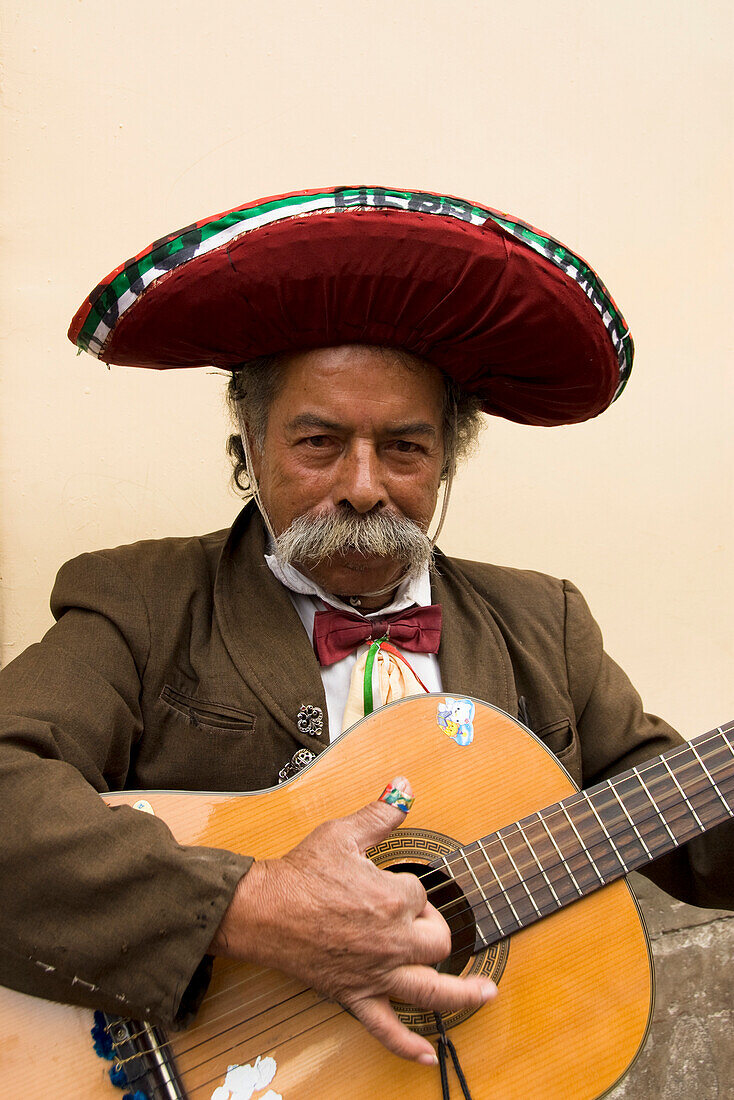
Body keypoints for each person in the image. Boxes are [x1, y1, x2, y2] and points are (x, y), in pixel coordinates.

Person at [0, 187, 731, 1075]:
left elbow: (698, 844)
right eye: (317, 444)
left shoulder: (549, 625)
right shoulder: (142, 601)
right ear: (250, 448)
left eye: (405, 448)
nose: (361, 485)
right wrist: (255, 905)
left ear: (447, 458)